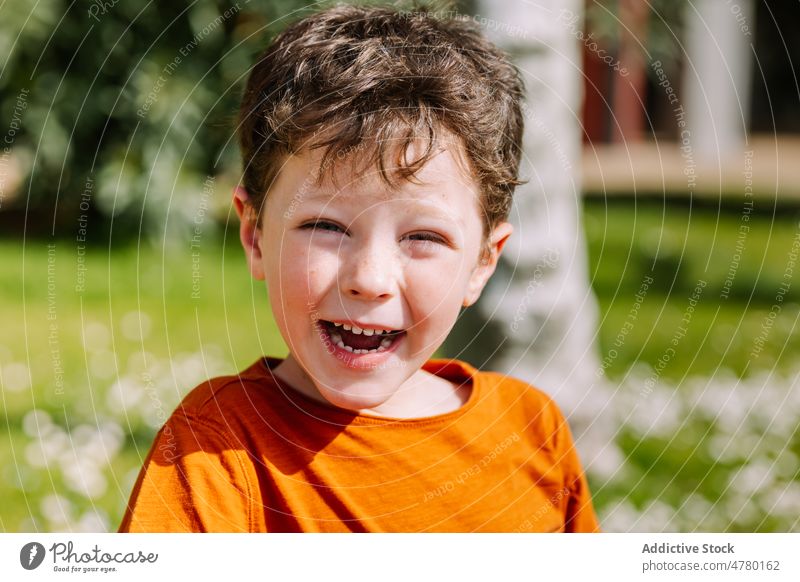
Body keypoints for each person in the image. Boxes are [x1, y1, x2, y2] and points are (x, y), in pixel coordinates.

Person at [119, 2, 599, 533]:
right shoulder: (211, 451)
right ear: (256, 235)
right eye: (326, 227)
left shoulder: (532, 431)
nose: (368, 280)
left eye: (423, 236)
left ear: (484, 262)